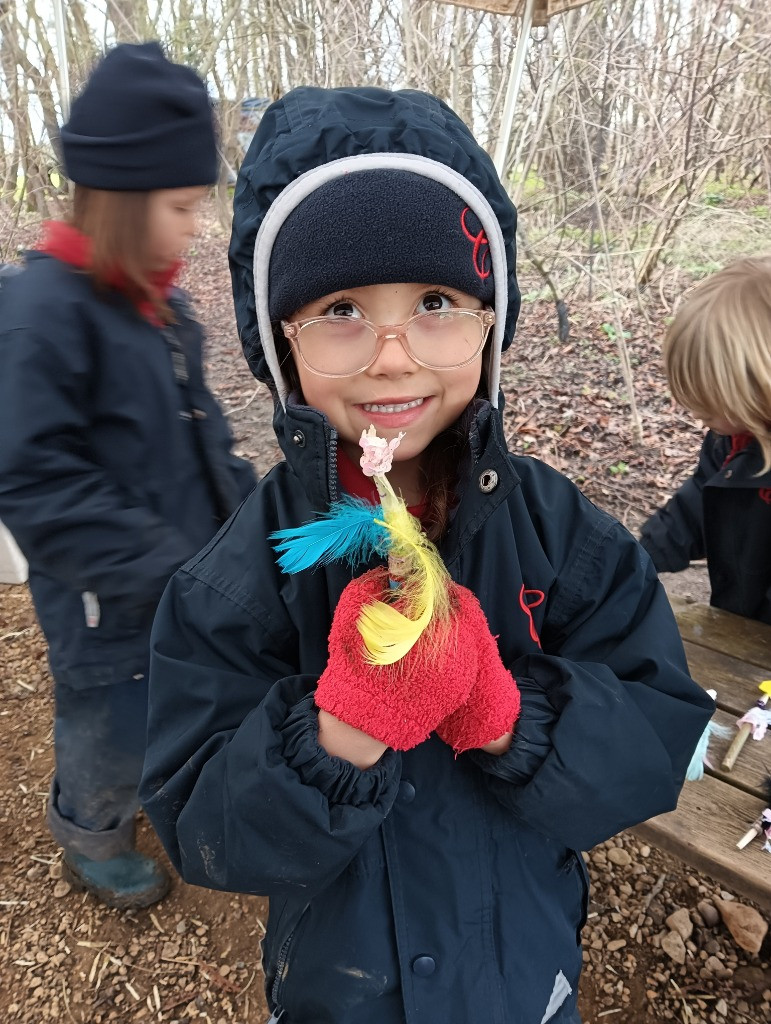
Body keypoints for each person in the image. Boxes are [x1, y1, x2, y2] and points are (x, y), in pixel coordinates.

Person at [140, 86, 712, 1024]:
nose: (393, 357)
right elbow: (206, 832)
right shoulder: (241, 577)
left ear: (491, 321)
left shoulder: (562, 538)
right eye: (339, 310)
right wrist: (342, 731)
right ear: (279, 346)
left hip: (521, 980)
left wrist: (504, 713)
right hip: (340, 989)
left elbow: (659, 740)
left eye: (437, 302)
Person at [0, 42, 256, 910]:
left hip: (178, 580)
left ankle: (161, 781)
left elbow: (197, 429)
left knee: (167, 701)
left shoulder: (157, 300)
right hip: (106, 602)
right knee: (107, 723)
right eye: (181, 206)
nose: (194, 225)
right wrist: (161, 561)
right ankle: (90, 825)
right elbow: (32, 479)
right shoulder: (41, 316)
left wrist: (243, 510)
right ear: (119, 198)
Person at [640, 257, 771, 623]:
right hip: (740, 622)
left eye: (711, 401)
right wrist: (641, 553)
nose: (697, 413)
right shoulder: (730, 441)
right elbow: (700, 502)